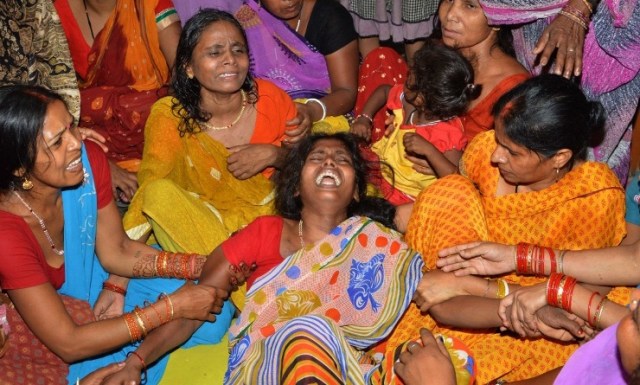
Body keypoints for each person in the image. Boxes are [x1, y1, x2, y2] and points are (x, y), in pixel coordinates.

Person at [103, 133, 477, 385]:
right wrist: (137, 361)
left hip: (351, 368)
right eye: (317, 158)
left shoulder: (375, 241)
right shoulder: (265, 233)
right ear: (296, 186)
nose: (330, 163)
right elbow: (200, 302)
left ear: (356, 189)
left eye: (342, 160)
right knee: (305, 333)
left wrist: (510, 293)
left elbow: (451, 204)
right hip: (268, 363)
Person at [383, 74, 629, 384]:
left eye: (512, 152)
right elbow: (459, 199)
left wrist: (486, 291)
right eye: (499, 141)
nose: (496, 155)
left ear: (560, 158)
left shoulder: (593, 195)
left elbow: (576, 303)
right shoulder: (488, 149)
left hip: (532, 320)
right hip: (455, 276)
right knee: (449, 191)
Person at [0, 85, 230, 385]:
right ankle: (130, 360)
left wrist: (201, 265)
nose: (75, 142)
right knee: (88, 366)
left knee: (214, 310)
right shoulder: (7, 233)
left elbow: (117, 250)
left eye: (71, 126)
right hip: (40, 317)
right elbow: (68, 343)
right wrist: (170, 309)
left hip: (93, 273)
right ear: (19, 169)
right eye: (57, 142)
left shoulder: (87, 161)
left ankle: (131, 356)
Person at [478, 0, 640, 182]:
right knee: (524, 129)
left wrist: (581, 6)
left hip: (605, 35)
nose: (495, 156)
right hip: (536, 19)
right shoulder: (485, 154)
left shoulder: (597, 201)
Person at [54, 0, 183, 202]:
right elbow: (45, 108)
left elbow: (185, 72)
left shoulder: (148, 5)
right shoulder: (52, 11)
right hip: (82, 147)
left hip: (156, 141)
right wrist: (97, 163)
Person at [352, 42, 477, 205]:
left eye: (408, 83)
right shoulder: (409, 102)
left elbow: (457, 179)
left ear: (421, 98)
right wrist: (365, 117)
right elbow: (384, 90)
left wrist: (430, 151)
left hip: (409, 195)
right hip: (385, 169)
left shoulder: (446, 134)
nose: (403, 85)